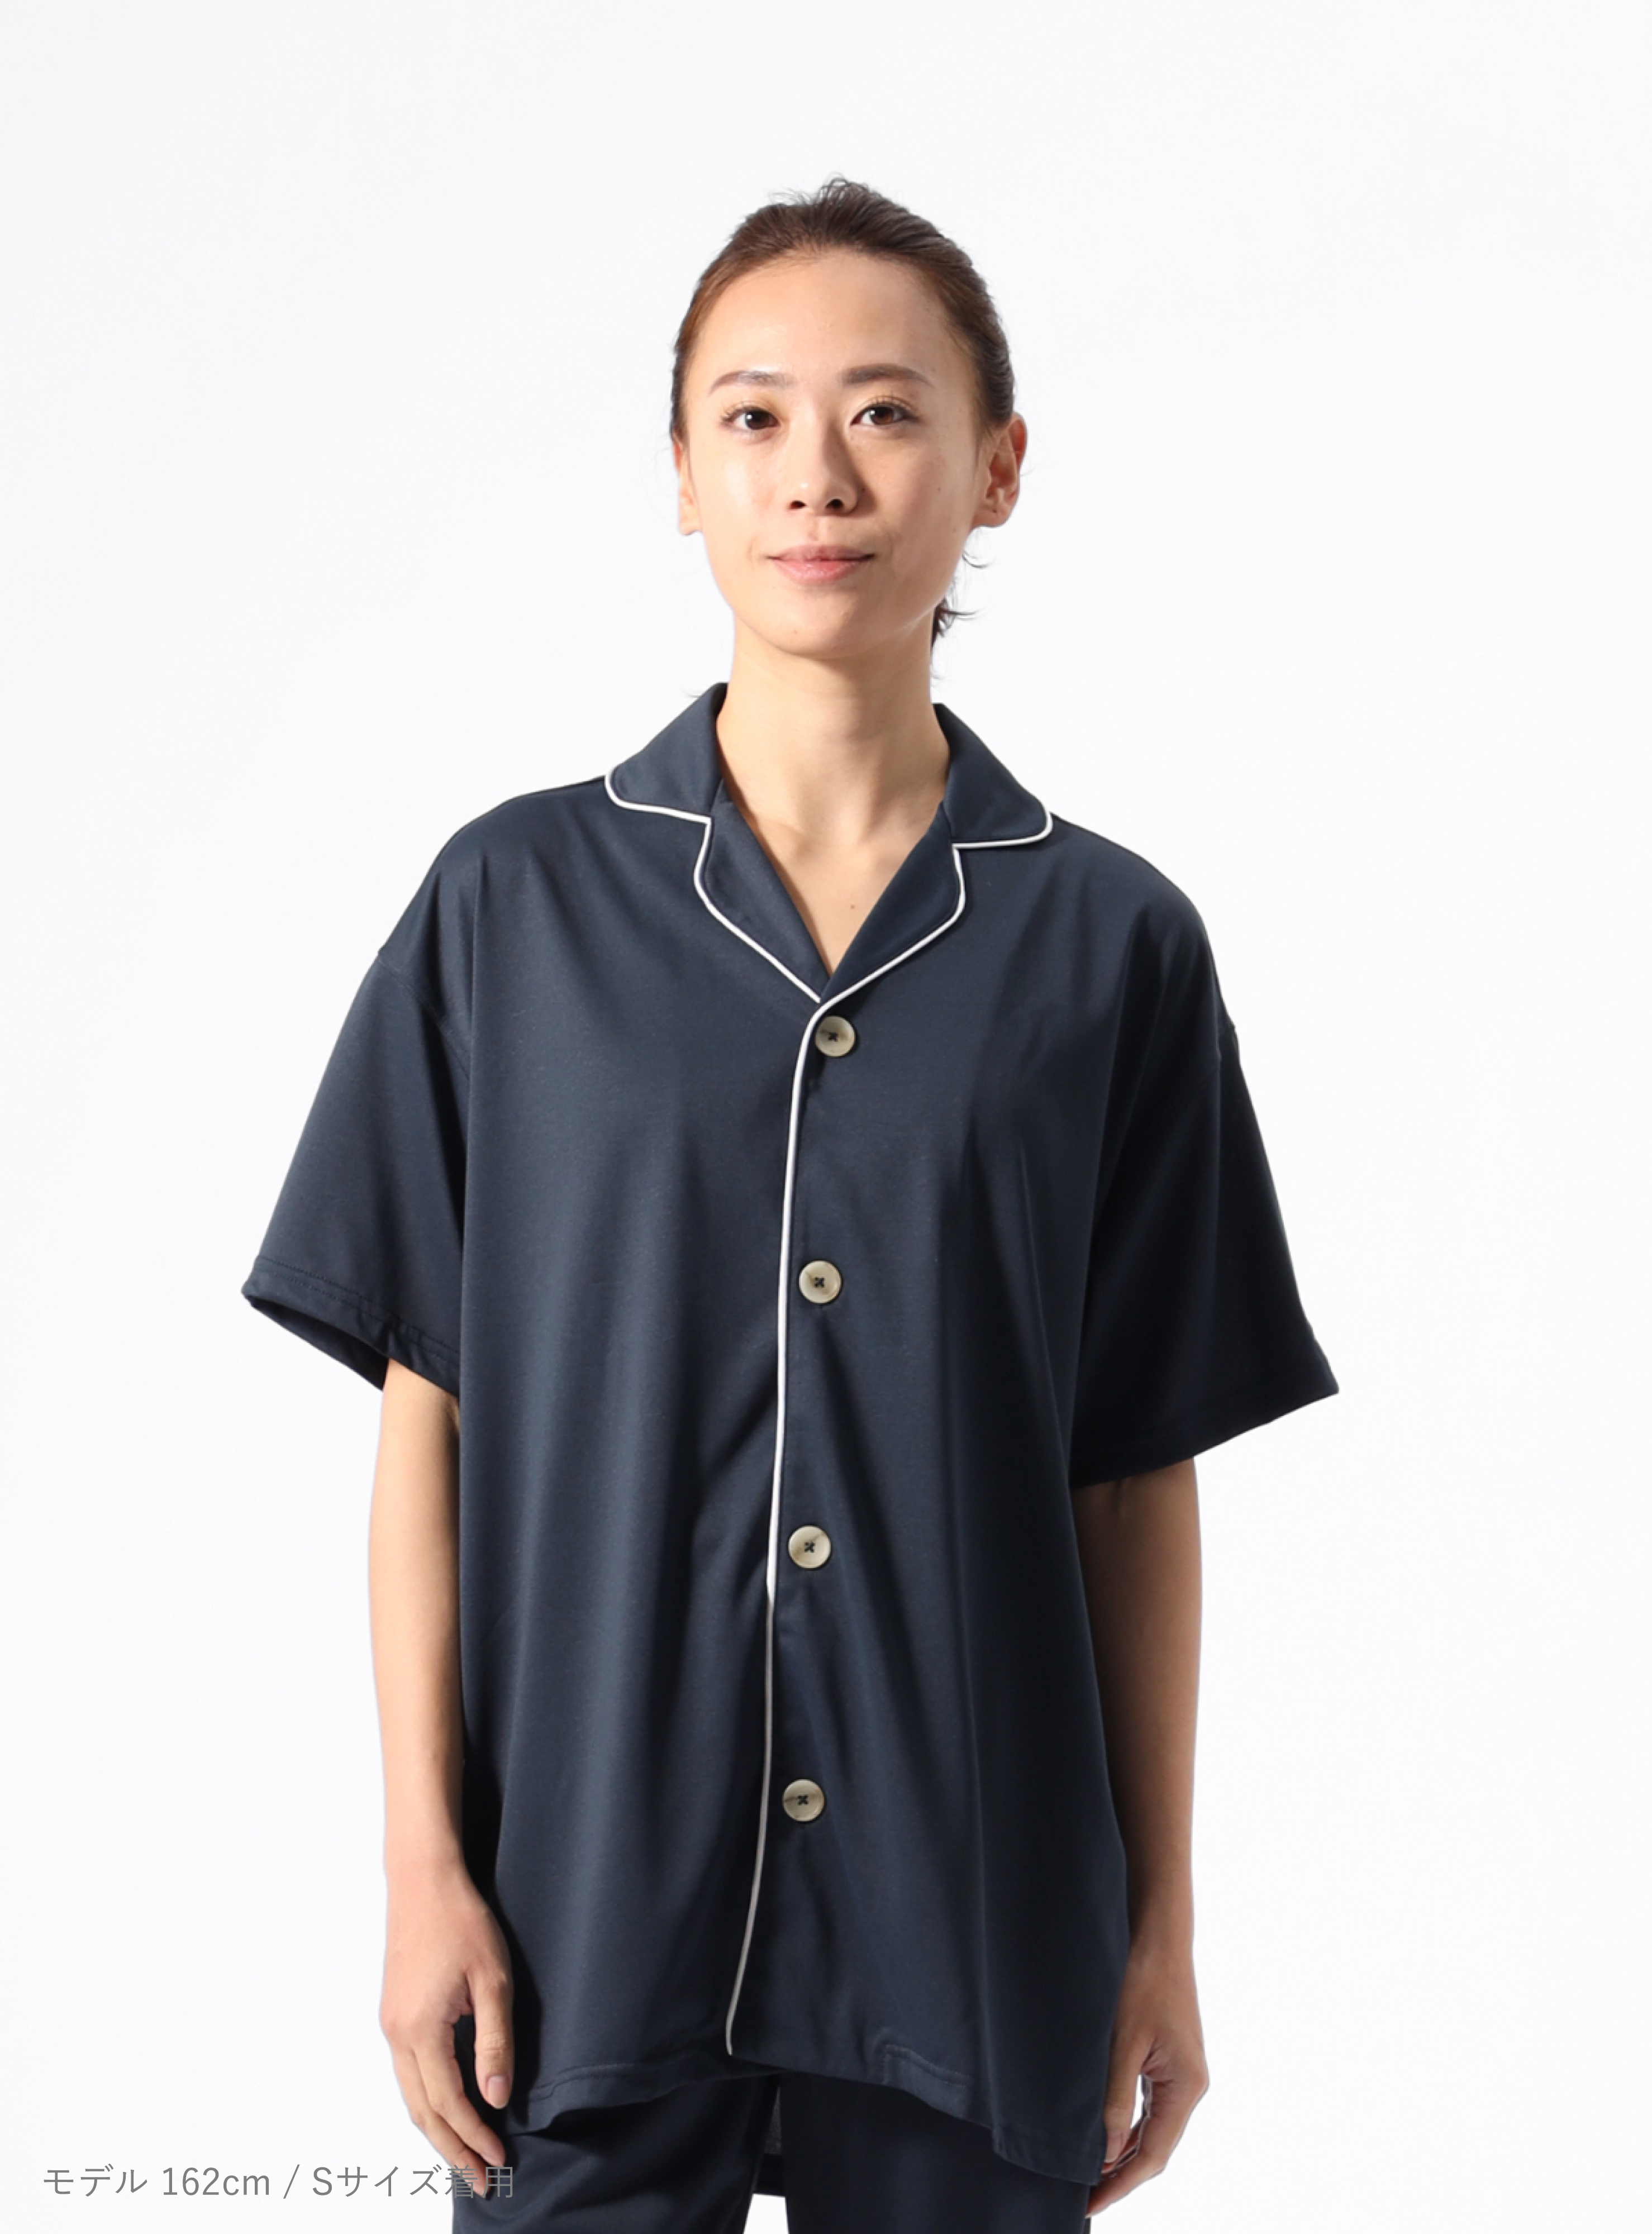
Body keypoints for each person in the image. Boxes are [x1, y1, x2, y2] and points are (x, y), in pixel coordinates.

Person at [242, 179, 1337, 2231]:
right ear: (680, 473)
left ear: (997, 467)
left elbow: (1134, 1479)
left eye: (888, 413)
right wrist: (421, 1868)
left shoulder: (1112, 950)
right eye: (751, 417)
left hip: (976, 1914)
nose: (816, 475)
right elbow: (428, 1421)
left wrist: (1165, 1916)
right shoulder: (511, 912)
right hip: (579, 1923)